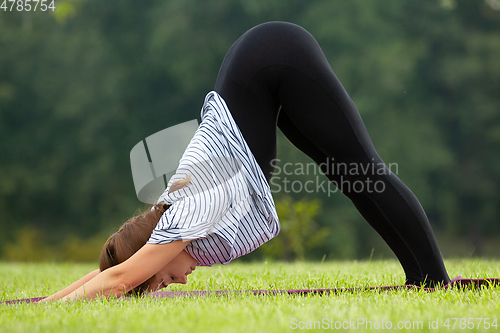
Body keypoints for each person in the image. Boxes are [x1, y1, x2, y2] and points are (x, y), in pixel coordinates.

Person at [43, 21, 450, 302]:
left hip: (272, 58)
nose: (178, 281)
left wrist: (43, 313)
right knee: (352, 176)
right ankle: (423, 280)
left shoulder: (184, 217)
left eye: (165, 278)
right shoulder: (165, 217)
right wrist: (46, 299)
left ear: (158, 252)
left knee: (364, 171)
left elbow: (118, 280)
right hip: (260, 70)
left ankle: (436, 282)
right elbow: (113, 270)